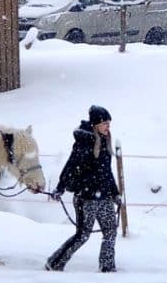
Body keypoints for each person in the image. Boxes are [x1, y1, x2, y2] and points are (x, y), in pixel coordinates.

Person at [45, 105, 122, 274]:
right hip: (86, 197)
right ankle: (55, 262)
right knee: (82, 235)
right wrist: (60, 188)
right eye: (105, 123)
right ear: (95, 124)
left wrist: (115, 194)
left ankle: (107, 266)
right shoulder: (84, 144)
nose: (108, 127)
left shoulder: (105, 142)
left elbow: (107, 173)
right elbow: (70, 166)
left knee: (110, 231)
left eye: (109, 123)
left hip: (104, 197)